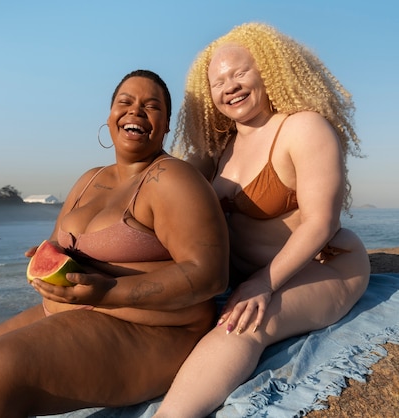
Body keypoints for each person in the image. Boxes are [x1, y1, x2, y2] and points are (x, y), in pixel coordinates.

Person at [0, 69, 229, 418]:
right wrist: (47, 255)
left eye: (152, 106)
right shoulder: (90, 179)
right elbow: (58, 243)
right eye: (125, 102)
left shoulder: (173, 179)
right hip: (80, 310)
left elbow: (209, 275)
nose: (136, 111)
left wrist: (107, 292)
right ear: (110, 117)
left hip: (152, 329)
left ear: (166, 127)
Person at [154, 22, 371, 417]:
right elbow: (164, 198)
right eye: (218, 82)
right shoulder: (219, 148)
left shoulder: (303, 128)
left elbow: (320, 224)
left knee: (242, 326)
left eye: (240, 73)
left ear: (268, 72)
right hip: (246, 275)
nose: (230, 86)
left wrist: (261, 284)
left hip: (324, 266)